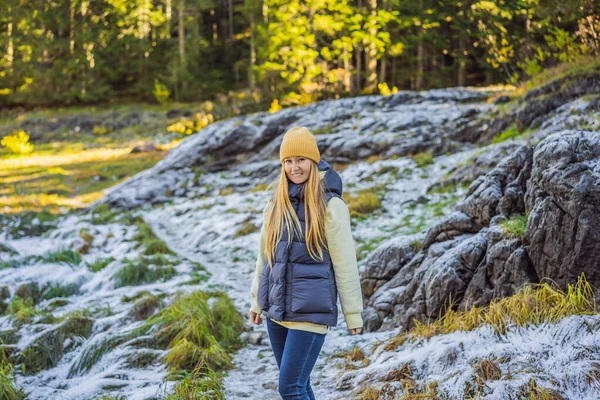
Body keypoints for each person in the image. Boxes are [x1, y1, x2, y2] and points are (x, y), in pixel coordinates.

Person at [248, 126, 364, 400]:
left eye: (300, 160)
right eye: (288, 161)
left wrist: (353, 313)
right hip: (277, 311)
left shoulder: (331, 206)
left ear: (313, 161)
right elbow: (264, 258)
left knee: (289, 388)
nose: (294, 167)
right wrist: (256, 301)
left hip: (310, 311)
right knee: (300, 385)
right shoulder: (275, 203)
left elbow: (345, 263)